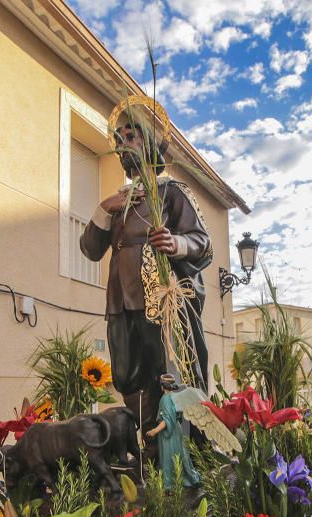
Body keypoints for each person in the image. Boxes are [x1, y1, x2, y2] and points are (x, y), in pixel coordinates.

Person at [80, 97, 213, 430]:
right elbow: (90, 249)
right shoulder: (119, 202)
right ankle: (148, 451)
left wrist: (175, 243)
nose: (124, 143)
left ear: (151, 141)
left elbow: (203, 244)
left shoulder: (172, 193)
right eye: (120, 137)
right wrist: (105, 208)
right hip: (122, 306)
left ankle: (178, 450)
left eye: (132, 135)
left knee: (167, 377)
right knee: (127, 378)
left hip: (159, 305)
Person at [145, 373, 201, 491]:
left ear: (162, 386)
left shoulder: (165, 399)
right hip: (177, 429)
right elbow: (176, 417)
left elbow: (167, 421)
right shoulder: (176, 397)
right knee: (180, 454)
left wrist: (154, 431)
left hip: (168, 434)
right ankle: (185, 477)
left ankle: (170, 483)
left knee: (169, 456)